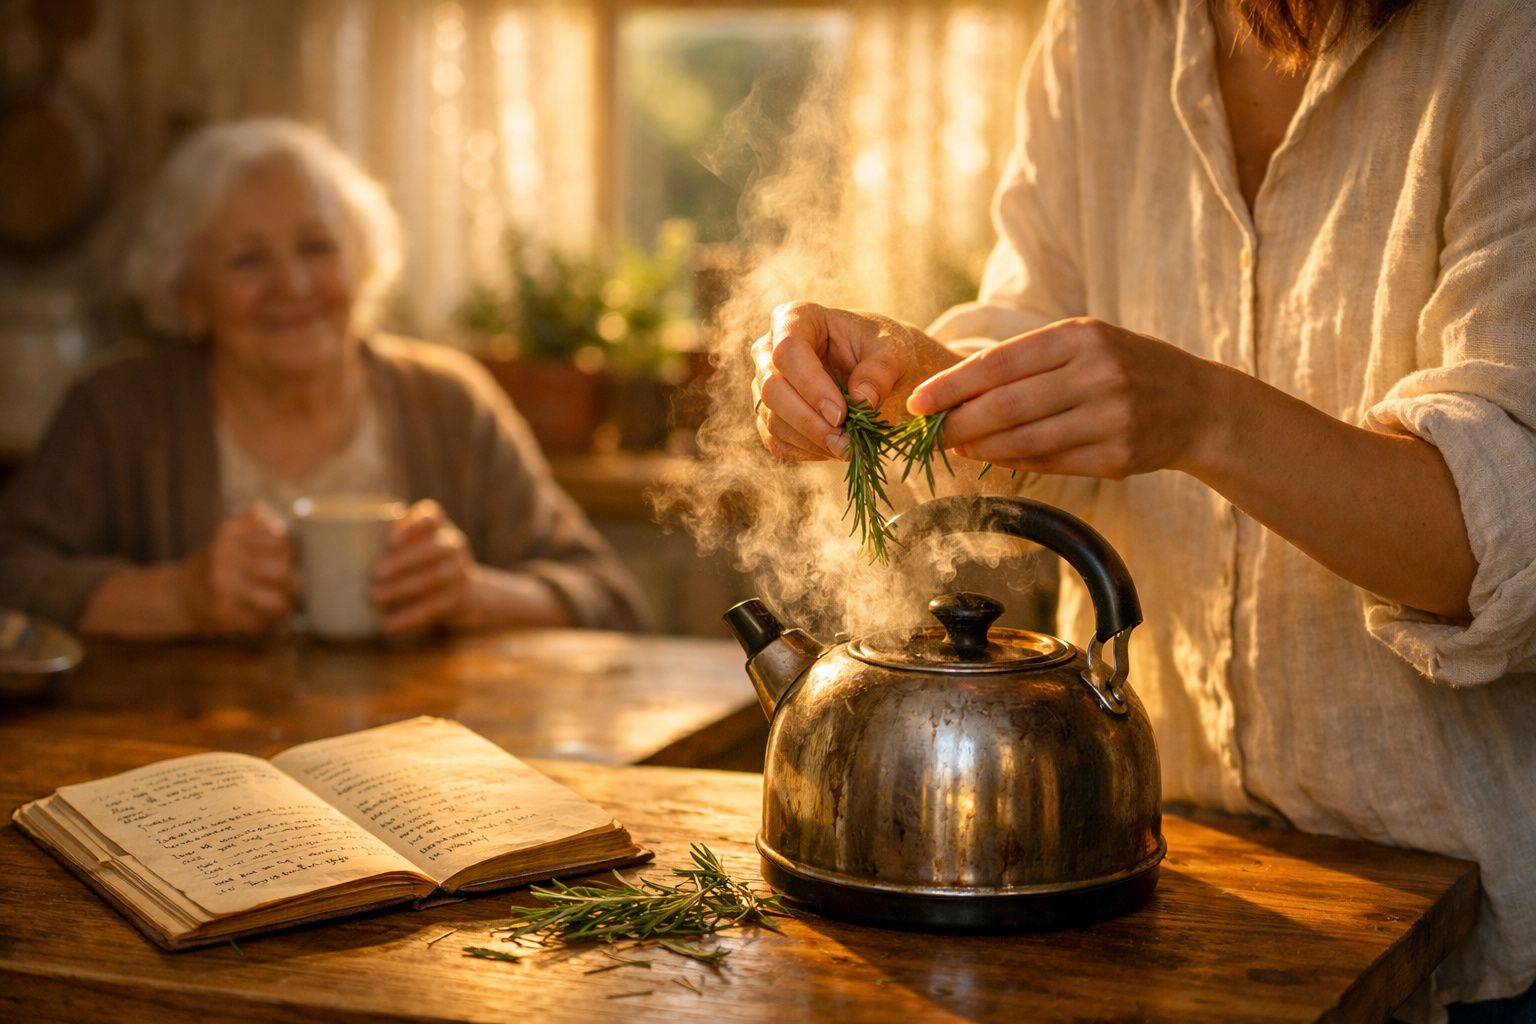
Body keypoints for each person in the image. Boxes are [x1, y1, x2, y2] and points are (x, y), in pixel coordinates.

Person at [751, 1, 1533, 1021]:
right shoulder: (1102, 28)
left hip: (1460, 928)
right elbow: (1034, 353)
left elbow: (1500, 543)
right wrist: (915, 385)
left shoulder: (1505, 38)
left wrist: (1206, 416)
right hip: (1150, 878)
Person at [0, 117, 648, 639]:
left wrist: (474, 595)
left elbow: (611, 600)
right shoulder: (117, 407)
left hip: (420, 753)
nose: (295, 285)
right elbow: (13, 574)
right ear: (188, 296)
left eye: (318, 247)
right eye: (247, 260)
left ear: (362, 264)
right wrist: (177, 598)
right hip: (176, 755)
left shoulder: (447, 399)